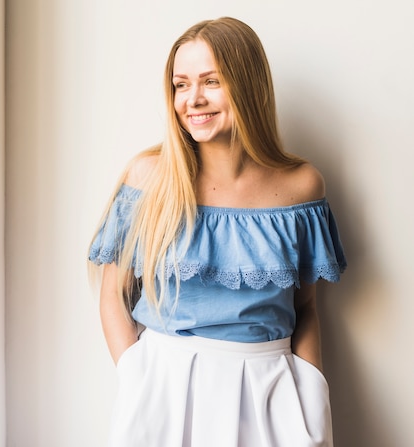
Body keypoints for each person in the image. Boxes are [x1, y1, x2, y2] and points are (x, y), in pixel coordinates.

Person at [88, 17, 347, 447]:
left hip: (270, 392)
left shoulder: (302, 186)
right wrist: (137, 378)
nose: (193, 100)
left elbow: (305, 308)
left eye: (211, 81)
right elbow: (114, 294)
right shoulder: (148, 178)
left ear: (246, 85)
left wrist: (312, 398)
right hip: (163, 389)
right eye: (181, 84)